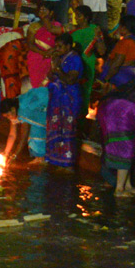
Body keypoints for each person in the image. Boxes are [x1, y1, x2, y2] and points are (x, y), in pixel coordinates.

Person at [45, 33, 84, 168]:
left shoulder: (75, 59)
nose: (57, 49)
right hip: (57, 100)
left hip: (69, 100)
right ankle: (54, 160)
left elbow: (70, 79)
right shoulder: (59, 58)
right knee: (55, 129)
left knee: (68, 131)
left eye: (60, 46)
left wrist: (58, 69)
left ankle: (68, 165)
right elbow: (50, 75)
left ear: (68, 46)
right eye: (56, 46)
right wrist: (53, 65)